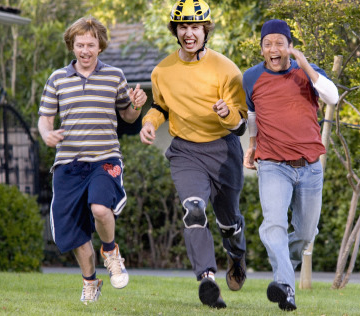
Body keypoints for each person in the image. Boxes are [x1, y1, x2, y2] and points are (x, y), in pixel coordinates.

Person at [139, 0, 248, 309]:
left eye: (195, 27)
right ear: (176, 31)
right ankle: (207, 280)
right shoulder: (162, 71)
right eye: (183, 27)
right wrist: (149, 122)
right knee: (194, 210)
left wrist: (227, 113)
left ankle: (236, 256)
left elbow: (240, 124)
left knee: (229, 222)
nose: (189, 33)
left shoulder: (226, 69)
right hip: (186, 151)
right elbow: (161, 107)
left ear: (205, 31)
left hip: (223, 149)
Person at [37, 16, 147, 304]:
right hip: (68, 164)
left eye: (90, 44)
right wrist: (47, 134)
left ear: (100, 47)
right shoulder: (57, 78)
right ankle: (90, 282)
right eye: (79, 44)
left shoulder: (114, 76)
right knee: (74, 232)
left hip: (104, 158)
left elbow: (128, 115)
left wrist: (136, 105)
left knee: (100, 208)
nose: (85, 50)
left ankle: (110, 252)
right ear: (72, 46)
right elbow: (45, 118)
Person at [243, 19, 339, 311]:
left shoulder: (308, 74)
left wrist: (305, 65)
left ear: (289, 46)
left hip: (310, 167)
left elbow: (333, 97)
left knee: (306, 233)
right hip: (273, 164)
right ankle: (285, 285)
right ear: (261, 48)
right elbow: (252, 115)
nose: (274, 49)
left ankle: (286, 269)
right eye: (267, 44)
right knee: (273, 224)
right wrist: (251, 145)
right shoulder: (250, 78)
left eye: (279, 43)